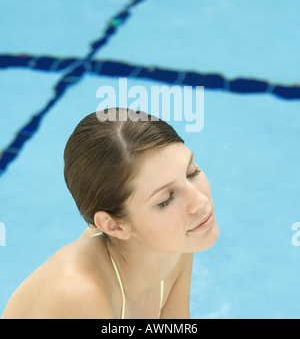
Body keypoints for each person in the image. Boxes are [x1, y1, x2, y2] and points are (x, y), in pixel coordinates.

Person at [2, 108, 219, 319]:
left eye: (192, 173)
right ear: (113, 225)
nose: (199, 202)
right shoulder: (79, 292)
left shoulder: (175, 241)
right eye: (166, 200)